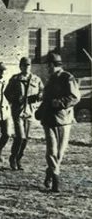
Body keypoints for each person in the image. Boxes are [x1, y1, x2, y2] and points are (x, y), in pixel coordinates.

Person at [36, 52, 80, 192]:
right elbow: (47, 100)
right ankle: (56, 179)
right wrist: (40, 110)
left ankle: (50, 173)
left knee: (59, 153)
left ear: (53, 65)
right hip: (48, 120)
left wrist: (59, 103)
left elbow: (74, 97)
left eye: (48, 65)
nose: (46, 68)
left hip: (63, 120)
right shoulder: (50, 80)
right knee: (51, 150)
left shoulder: (67, 78)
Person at [5, 57, 44, 170]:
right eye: (24, 65)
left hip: (29, 111)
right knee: (20, 137)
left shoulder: (36, 79)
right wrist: (16, 99)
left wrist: (39, 96)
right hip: (18, 111)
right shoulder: (15, 79)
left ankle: (18, 158)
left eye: (28, 65)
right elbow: (7, 93)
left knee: (25, 138)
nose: (26, 67)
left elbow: (42, 90)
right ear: (20, 66)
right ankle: (13, 158)